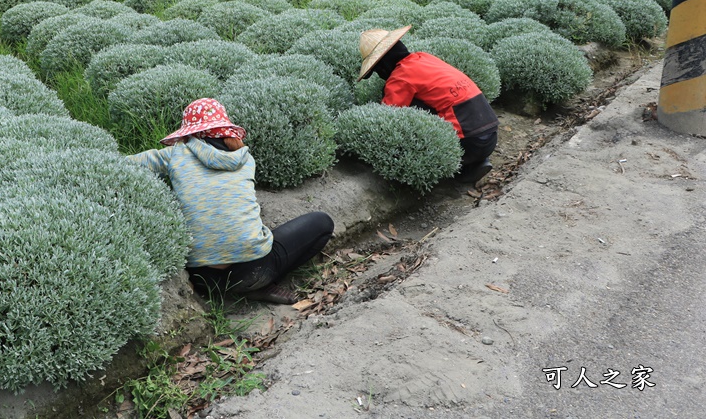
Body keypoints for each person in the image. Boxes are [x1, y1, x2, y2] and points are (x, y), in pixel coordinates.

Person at [126, 98, 334, 305]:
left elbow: (125, 164)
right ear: (225, 129)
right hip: (253, 272)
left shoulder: (174, 154)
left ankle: (233, 288)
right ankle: (260, 286)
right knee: (322, 222)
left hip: (201, 277)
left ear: (189, 133)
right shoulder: (244, 158)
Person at [358, 26, 499, 184]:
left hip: (469, 143)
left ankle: (453, 171)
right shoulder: (424, 57)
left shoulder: (400, 77)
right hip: (491, 135)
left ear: (382, 65)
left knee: (405, 117)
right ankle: (475, 164)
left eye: (377, 70)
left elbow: (387, 115)